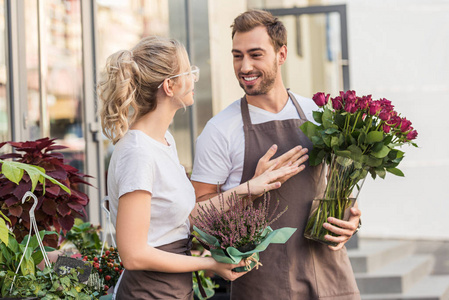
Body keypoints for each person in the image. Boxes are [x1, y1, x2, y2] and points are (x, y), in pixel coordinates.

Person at [98, 36, 304, 299]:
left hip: (173, 290)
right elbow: (134, 255)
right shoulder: (138, 153)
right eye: (189, 72)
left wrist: (250, 187)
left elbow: (186, 216)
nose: (195, 78)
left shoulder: (164, 141)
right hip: (148, 292)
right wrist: (210, 264)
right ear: (169, 86)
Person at [191, 10, 361, 300]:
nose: (245, 66)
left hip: (330, 274)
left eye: (256, 54)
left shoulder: (318, 115)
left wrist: (351, 221)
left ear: (281, 54)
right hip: (263, 283)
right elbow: (198, 214)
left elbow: (336, 186)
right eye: (237, 55)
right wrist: (249, 190)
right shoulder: (220, 130)